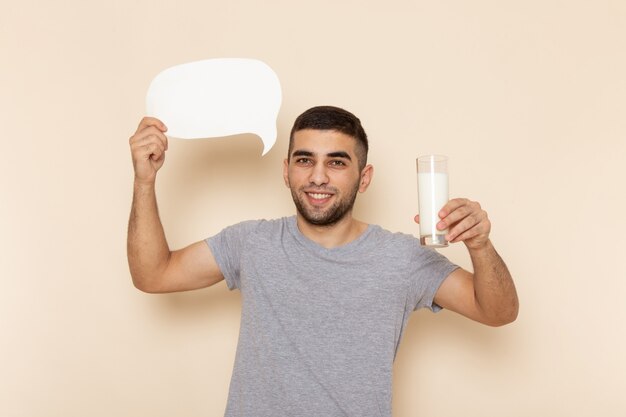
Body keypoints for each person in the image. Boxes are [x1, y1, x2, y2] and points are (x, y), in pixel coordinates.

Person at [127, 106, 518, 417]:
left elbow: (497, 311)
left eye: (336, 162)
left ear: (364, 178)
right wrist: (145, 180)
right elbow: (153, 274)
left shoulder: (401, 259)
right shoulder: (252, 243)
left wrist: (480, 245)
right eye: (304, 160)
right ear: (286, 171)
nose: (317, 177)